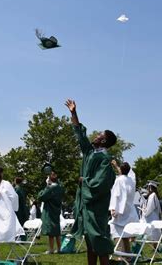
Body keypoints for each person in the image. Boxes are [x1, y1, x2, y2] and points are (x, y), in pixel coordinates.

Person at [65, 99, 117, 265]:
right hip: (86, 205)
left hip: (96, 206)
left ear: (103, 141)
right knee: (89, 241)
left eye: (99, 135)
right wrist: (73, 113)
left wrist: (84, 181)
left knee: (98, 240)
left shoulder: (104, 158)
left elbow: (101, 183)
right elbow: (80, 134)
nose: (95, 135)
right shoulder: (90, 153)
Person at [109, 161, 139, 253]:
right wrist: (116, 166)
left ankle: (120, 255)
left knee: (116, 232)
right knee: (126, 235)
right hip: (129, 211)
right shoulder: (131, 181)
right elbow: (123, 174)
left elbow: (115, 194)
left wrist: (113, 208)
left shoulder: (119, 180)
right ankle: (128, 255)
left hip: (120, 211)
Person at [38, 170, 64, 254]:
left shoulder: (51, 188)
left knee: (51, 231)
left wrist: (47, 186)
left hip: (50, 211)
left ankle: (51, 249)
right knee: (56, 230)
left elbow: (41, 197)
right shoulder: (60, 187)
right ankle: (59, 248)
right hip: (57, 210)